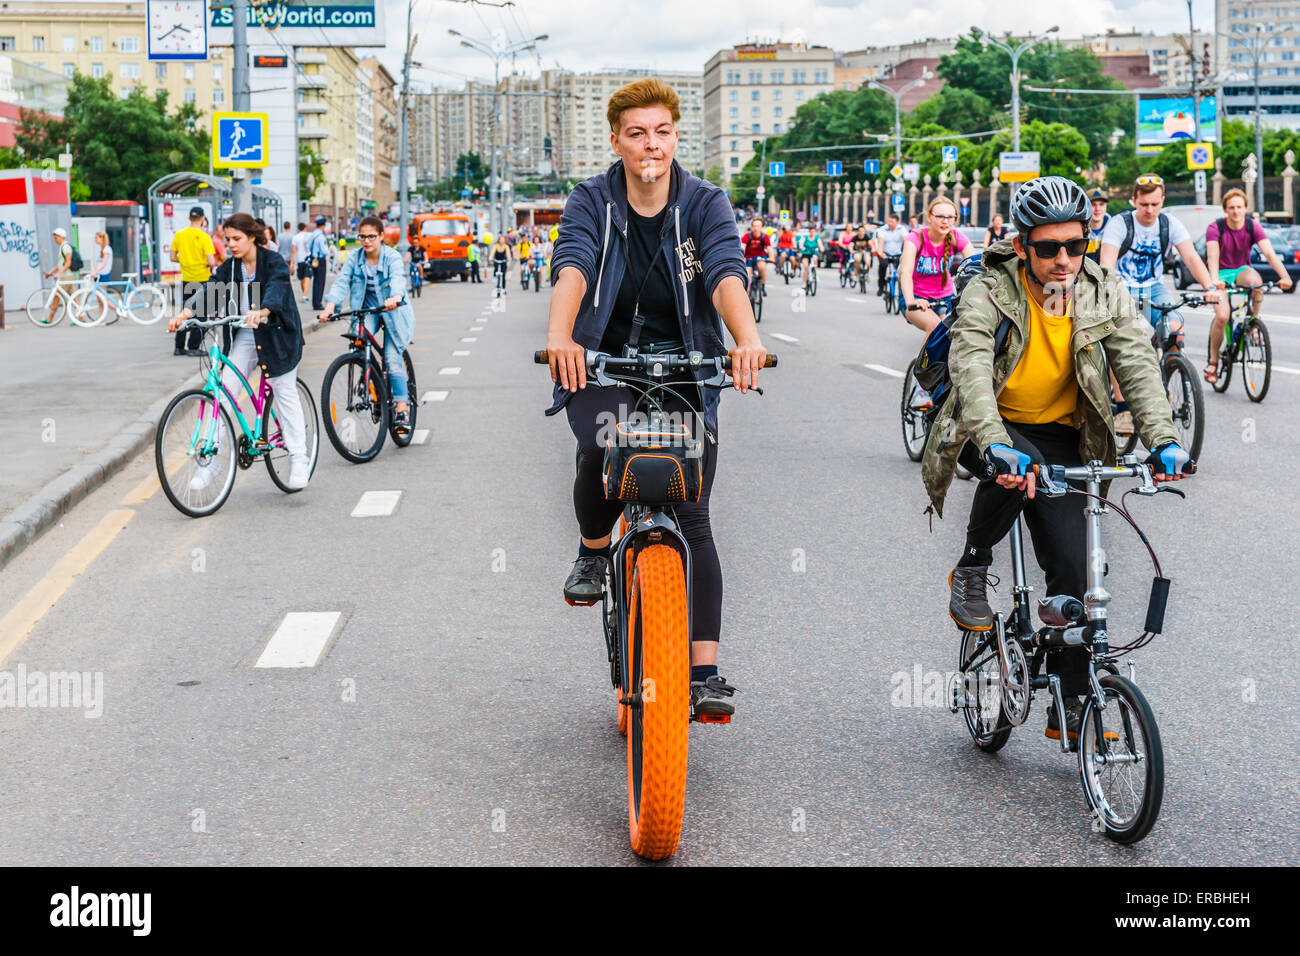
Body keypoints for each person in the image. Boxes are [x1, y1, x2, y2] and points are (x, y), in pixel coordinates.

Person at [922, 176, 1192, 742]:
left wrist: (1163, 439)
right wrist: (995, 441)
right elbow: (969, 367)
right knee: (1018, 466)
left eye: (1076, 245)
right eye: (1048, 248)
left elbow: (1138, 366)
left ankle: (1072, 700)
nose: (1064, 259)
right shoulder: (990, 289)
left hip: (1066, 432)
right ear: (1022, 247)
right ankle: (972, 565)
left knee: (1077, 567)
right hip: (987, 422)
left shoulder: (1103, 290)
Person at [545, 76, 766, 719]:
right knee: (600, 448)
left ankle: (703, 673)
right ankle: (593, 552)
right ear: (616, 140)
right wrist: (562, 337)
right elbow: (575, 264)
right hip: (602, 359)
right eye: (637, 133)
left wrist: (745, 339)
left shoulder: (704, 204)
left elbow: (725, 271)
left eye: (662, 132)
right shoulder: (593, 200)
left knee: (692, 511)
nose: (651, 145)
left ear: (676, 137)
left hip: (688, 364)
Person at [168, 212, 311, 490]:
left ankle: (298, 457)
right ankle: (209, 462)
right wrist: (184, 314)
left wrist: (263, 310)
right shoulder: (231, 267)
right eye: (227, 239)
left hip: (277, 335)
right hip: (244, 335)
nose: (231, 244)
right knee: (222, 395)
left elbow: (278, 289)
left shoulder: (273, 261)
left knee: (284, 391)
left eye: (237, 239)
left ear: (252, 237)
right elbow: (211, 288)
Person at [320, 215, 415, 436]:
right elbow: (343, 281)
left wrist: (395, 297)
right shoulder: (355, 258)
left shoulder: (391, 257)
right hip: (367, 308)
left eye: (371, 236)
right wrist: (330, 306)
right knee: (359, 344)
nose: (366, 241)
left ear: (381, 236)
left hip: (393, 309)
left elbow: (398, 280)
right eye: (362, 236)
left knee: (391, 359)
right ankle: (369, 379)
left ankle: (401, 409)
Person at [1204, 188, 1293, 383]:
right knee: (1222, 316)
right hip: (1219, 272)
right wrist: (1213, 281)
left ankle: (1253, 322)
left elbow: (1269, 253)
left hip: (1241, 270)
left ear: (1245, 208)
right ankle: (1213, 361)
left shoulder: (1253, 227)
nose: (1235, 211)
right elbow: (1212, 256)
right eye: (1231, 208)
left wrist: (1285, 276)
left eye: (1239, 207)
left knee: (1256, 282)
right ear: (1225, 210)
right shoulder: (1215, 228)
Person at [898, 197, 971, 333]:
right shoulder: (915, 237)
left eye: (950, 217)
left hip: (946, 298)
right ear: (929, 217)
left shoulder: (957, 237)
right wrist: (911, 301)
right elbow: (906, 272)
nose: (945, 221)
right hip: (915, 296)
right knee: (935, 326)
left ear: (955, 220)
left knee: (955, 330)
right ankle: (925, 356)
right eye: (940, 216)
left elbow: (976, 266)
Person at [169, 207, 217, 355]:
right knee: (200, 314)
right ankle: (194, 347)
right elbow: (211, 261)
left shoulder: (180, 235)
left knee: (185, 311)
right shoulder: (204, 237)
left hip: (186, 280)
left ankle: (179, 346)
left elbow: (172, 257)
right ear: (203, 219)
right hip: (202, 279)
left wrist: (184, 260)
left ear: (189, 218)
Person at [42, 227, 78, 325]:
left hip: (66, 276)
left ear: (61, 237)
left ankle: (49, 319)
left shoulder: (65, 247)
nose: (55, 240)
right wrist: (51, 272)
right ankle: (81, 318)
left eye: (56, 238)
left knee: (57, 297)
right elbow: (61, 264)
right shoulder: (62, 247)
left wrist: (59, 273)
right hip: (68, 276)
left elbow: (68, 263)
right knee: (74, 298)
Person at [874, 211, 910, 300]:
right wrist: (880, 252)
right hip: (885, 253)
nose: (890, 223)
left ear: (897, 222)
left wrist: (907, 253)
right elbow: (880, 242)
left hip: (898, 254)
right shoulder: (883, 229)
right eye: (889, 221)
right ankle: (881, 287)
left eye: (892, 222)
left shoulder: (902, 229)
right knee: (883, 265)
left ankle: (902, 289)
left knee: (902, 270)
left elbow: (906, 241)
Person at [741, 216, 771, 292]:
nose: (755, 228)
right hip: (748, 258)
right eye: (754, 226)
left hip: (760, 257)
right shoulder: (747, 236)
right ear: (751, 227)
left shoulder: (765, 237)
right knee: (747, 276)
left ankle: (763, 285)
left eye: (758, 226)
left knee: (762, 267)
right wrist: (741, 257)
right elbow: (742, 247)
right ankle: (747, 292)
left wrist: (771, 257)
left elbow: (769, 248)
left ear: (761, 227)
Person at [308, 216, 329, 310]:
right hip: (320, 260)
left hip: (313, 259)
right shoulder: (321, 236)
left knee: (316, 281)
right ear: (323, 225)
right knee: (320, 282)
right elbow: (325, 251)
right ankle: (318, 303)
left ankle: (315, 302)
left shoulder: (313, 234)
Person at [1085, 189, 1109, 263]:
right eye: (1093, 205)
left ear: (1106, 206)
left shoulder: (1113, 230)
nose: (1097, 209)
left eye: (1101, 204)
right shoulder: (1079, 231)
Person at [291, 222, 312, 301]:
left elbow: (293, 250)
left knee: (302, 277)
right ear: (305, 228)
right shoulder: (309, 235)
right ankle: (305, 294)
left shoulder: (295, 237)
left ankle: (305, 294)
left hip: (299, 259)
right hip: (308, 259)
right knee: (307, 276)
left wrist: (292, 262)